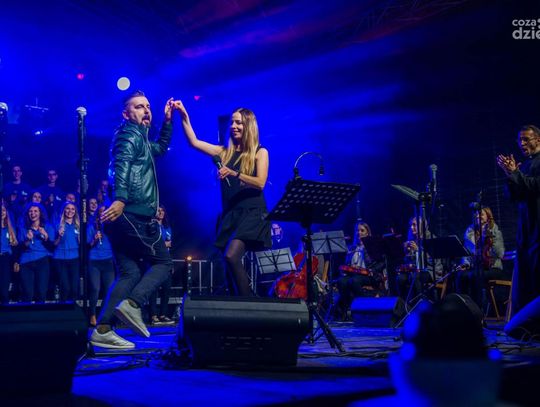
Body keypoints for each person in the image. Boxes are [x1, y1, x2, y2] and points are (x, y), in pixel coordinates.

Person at [90, 90, 179, 349]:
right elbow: (122, 165)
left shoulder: (141, 138)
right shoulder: (128, 135)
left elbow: (160, 148)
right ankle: (133, 304)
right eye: (139, 107)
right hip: (131, 212)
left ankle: (103, 330)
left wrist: (168, 121)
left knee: (130, 273)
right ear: (126, 114)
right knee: (163, 263)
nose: (146, 110)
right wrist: (120, 199)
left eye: (148, 106)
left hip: (124, 215)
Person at [178, 102, 271, 296]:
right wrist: (184, 115)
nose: (233, 126)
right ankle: (240, 301)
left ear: (249, 126)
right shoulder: (224, 152)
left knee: (231, 256)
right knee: (226, 262)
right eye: (232, 122)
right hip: (231, 214)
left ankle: (250, 304)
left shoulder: (260, 152)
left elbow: (261, 182)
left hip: (253, 213)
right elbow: (194, 142)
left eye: (239, 123)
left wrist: (234, 173)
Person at [497, 124, 540, 315]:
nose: (522, 143)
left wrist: (515, 173)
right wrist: (510, 175)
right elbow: (513, 196)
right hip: (527, 230)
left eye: (526, 139)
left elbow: (535, 186)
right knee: (526, 278)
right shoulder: (526, 165)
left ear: (538, 139)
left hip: (538, 227)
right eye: (520, 140)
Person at [458, 206, 506, 308]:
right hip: (476, 267)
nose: (478, 216)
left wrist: (490, 238)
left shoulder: (495, 231)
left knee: (475, 276)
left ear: (488, 216)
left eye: (481, 214)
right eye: (476, 214)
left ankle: (477, 308)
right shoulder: (470, 233)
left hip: (493, 268)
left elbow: (500, 253)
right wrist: (465, 264)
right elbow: (466, 254)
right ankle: (464, 306)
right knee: (461, 276)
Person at [336, 221, 385, 318]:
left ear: (367, 233)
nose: (359, 233)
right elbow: (346, 265)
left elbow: (382, 262)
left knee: (354, 281)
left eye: (362, 230)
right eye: (357, 231)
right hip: (354, 275)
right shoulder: (352, 248)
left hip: (369, 275)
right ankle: (347, 310)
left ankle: (365, 308)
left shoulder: (373, 246)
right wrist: (348, 263)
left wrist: (373, 270)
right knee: (341, 281)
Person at [17, 203, 54, 303]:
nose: (33, 213)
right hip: (26, 263)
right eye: (30, 211)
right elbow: (20, 248)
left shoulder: (48, 227)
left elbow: (52, 247)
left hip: (42, 261)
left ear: (40, 213)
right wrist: (28, 240)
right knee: (27, 294)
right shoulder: (23, 228)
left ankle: (40, 313)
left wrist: (46, 236)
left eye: (35, 211)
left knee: (41, 293)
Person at [87, 205, 115, 327]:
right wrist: (94, 240)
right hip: (94, 261)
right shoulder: (91, 227)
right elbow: (87, 246)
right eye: (101, 212)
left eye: (105, 212)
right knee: (95, 288)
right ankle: (92, 314)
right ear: (98, 215)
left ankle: (104, 316)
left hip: (108, 261)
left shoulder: (112, 227)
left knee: (109, 290)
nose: (103, 214)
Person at [148, 204, 174, 325]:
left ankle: (163, 314)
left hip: (166, 261)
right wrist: (164, 244)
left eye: (162, 210)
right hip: (155, 261)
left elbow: (169, 245)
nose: (161, 212)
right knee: (154, 289)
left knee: (166, 288)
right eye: (158, 210)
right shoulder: (152, 226)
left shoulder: (167, 227)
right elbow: (153, 243)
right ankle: (153, 316)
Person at [52, 201, 80, 302]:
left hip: (74, 259)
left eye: (72, 209)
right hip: (60, 259)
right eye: (67, 208)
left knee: (74, 288)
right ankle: (63, 309)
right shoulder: (57, 225)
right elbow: (54, 244)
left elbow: (82, 244)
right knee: (65, 288)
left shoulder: (78, 225)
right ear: (64, 210)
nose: (70, 211)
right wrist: (59, 236)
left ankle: (74, 310)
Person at [0, 204, 18, 304]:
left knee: (4, 288)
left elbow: (14, 245)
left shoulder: (10, 228)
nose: (1, 212)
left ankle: (5, 309)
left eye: (3, 210)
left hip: (5, 259)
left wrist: (15, 261)